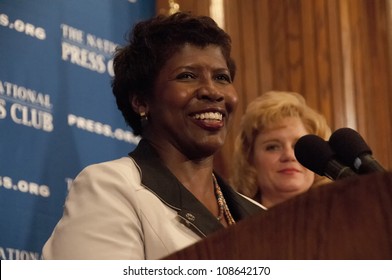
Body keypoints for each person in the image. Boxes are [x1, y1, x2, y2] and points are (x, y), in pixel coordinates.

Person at [42, 12, 264, 260]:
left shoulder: (261, 215)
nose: (212, 91)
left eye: (222, 77)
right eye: (187, 76)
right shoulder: (110, 188)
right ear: (141, 101)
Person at [231, 91, 332, 209]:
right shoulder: (232, 224)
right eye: (273, 147)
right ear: (250, 159)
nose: (289, 155)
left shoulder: (341, 219)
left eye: (298, 146)